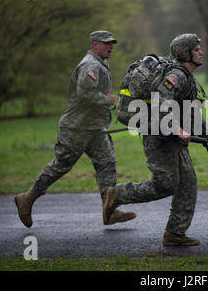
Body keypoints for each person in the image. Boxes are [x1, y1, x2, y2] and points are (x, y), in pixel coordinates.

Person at [103, 33, 208, 246]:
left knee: (188, 182)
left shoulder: (187, 76)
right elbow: (161, 100)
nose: (201, 52)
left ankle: (175, 234)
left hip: (172, 136)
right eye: (197, 49)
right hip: (158, 136)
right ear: (186, 53)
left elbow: (192, 112)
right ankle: (117, 194)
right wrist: (177, 128)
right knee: (166, 184)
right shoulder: (176, 76)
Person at [14, 31, 136, 227]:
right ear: (95, 45)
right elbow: (85, 94)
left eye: (112, 43)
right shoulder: (91, 65)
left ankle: (110, 211)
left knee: (107, 163)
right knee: (61, 165)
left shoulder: (100, 64)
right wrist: (109, 100)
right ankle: (26, 199)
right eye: (106, 43)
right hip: (76, 128)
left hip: (94, 128)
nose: (110, 47)